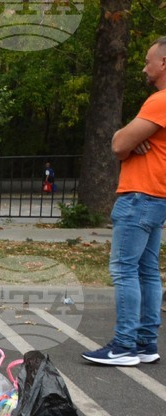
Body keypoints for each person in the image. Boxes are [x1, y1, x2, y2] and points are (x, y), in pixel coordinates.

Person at [83, 36, 166, 366]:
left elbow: (118, 144)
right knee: (147, 270)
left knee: (124, 269)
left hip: (139, 195)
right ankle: (146, 342)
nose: (144, 67)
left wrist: (129, 140)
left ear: (164, 64)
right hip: (157, 196)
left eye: (148, 61)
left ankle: (124, 345)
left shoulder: (158, 101)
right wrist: (135, 141)